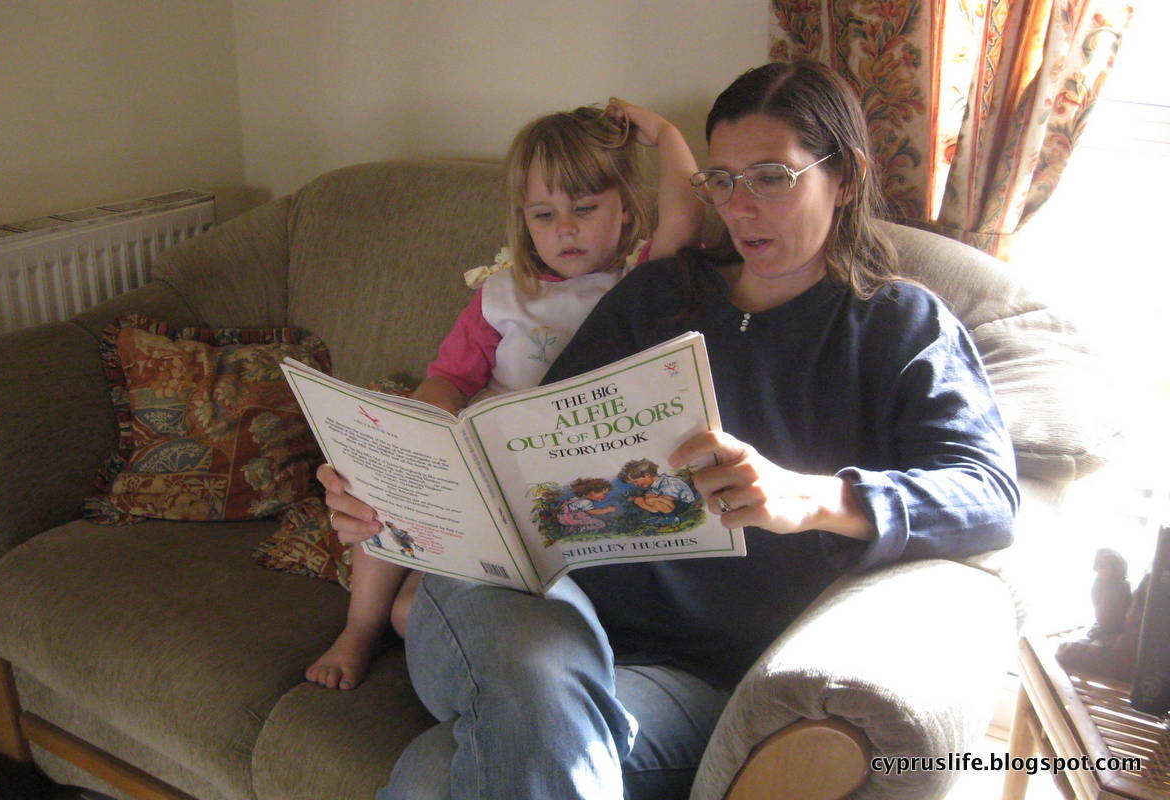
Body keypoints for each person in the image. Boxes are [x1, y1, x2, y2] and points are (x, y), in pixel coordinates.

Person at [329, 60, 1020, 799]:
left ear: (844, 176)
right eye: (722, 181)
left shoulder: (900, 327)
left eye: (771, 178)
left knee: (439, 776)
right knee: (534, 663)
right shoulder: (660, 293)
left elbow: (988, 495)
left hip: (688, 675)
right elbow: (528, 446)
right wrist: (397, 492)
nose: (740, 209)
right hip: (525, 605)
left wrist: (808, 498)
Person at [308, 98, 703, 691]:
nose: (564, 228)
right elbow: (448, 378)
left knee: (414, 613)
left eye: (585, 208)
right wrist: (429, 417)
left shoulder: (637, 278)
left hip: (566, 484)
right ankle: (359, 628)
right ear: (524, 220)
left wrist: (666, 133)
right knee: (385, 518)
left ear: (626, 208)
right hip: (482, 472)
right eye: (544, 214)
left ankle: (430, 611)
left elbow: (686, 218)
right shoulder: (501, 295)